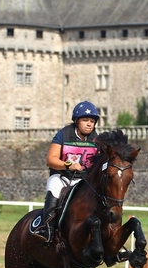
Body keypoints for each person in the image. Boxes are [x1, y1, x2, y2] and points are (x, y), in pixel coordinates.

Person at [33, 101, 100, 243]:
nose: (89, 124)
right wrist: (68, 165)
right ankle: (47, 229)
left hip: (84, 180)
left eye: (92, 121)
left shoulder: (96, 138)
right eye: (85, 120)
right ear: (76, 121)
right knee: (54, 188)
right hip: (62, 176)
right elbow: (51, 160)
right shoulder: (63, 134)